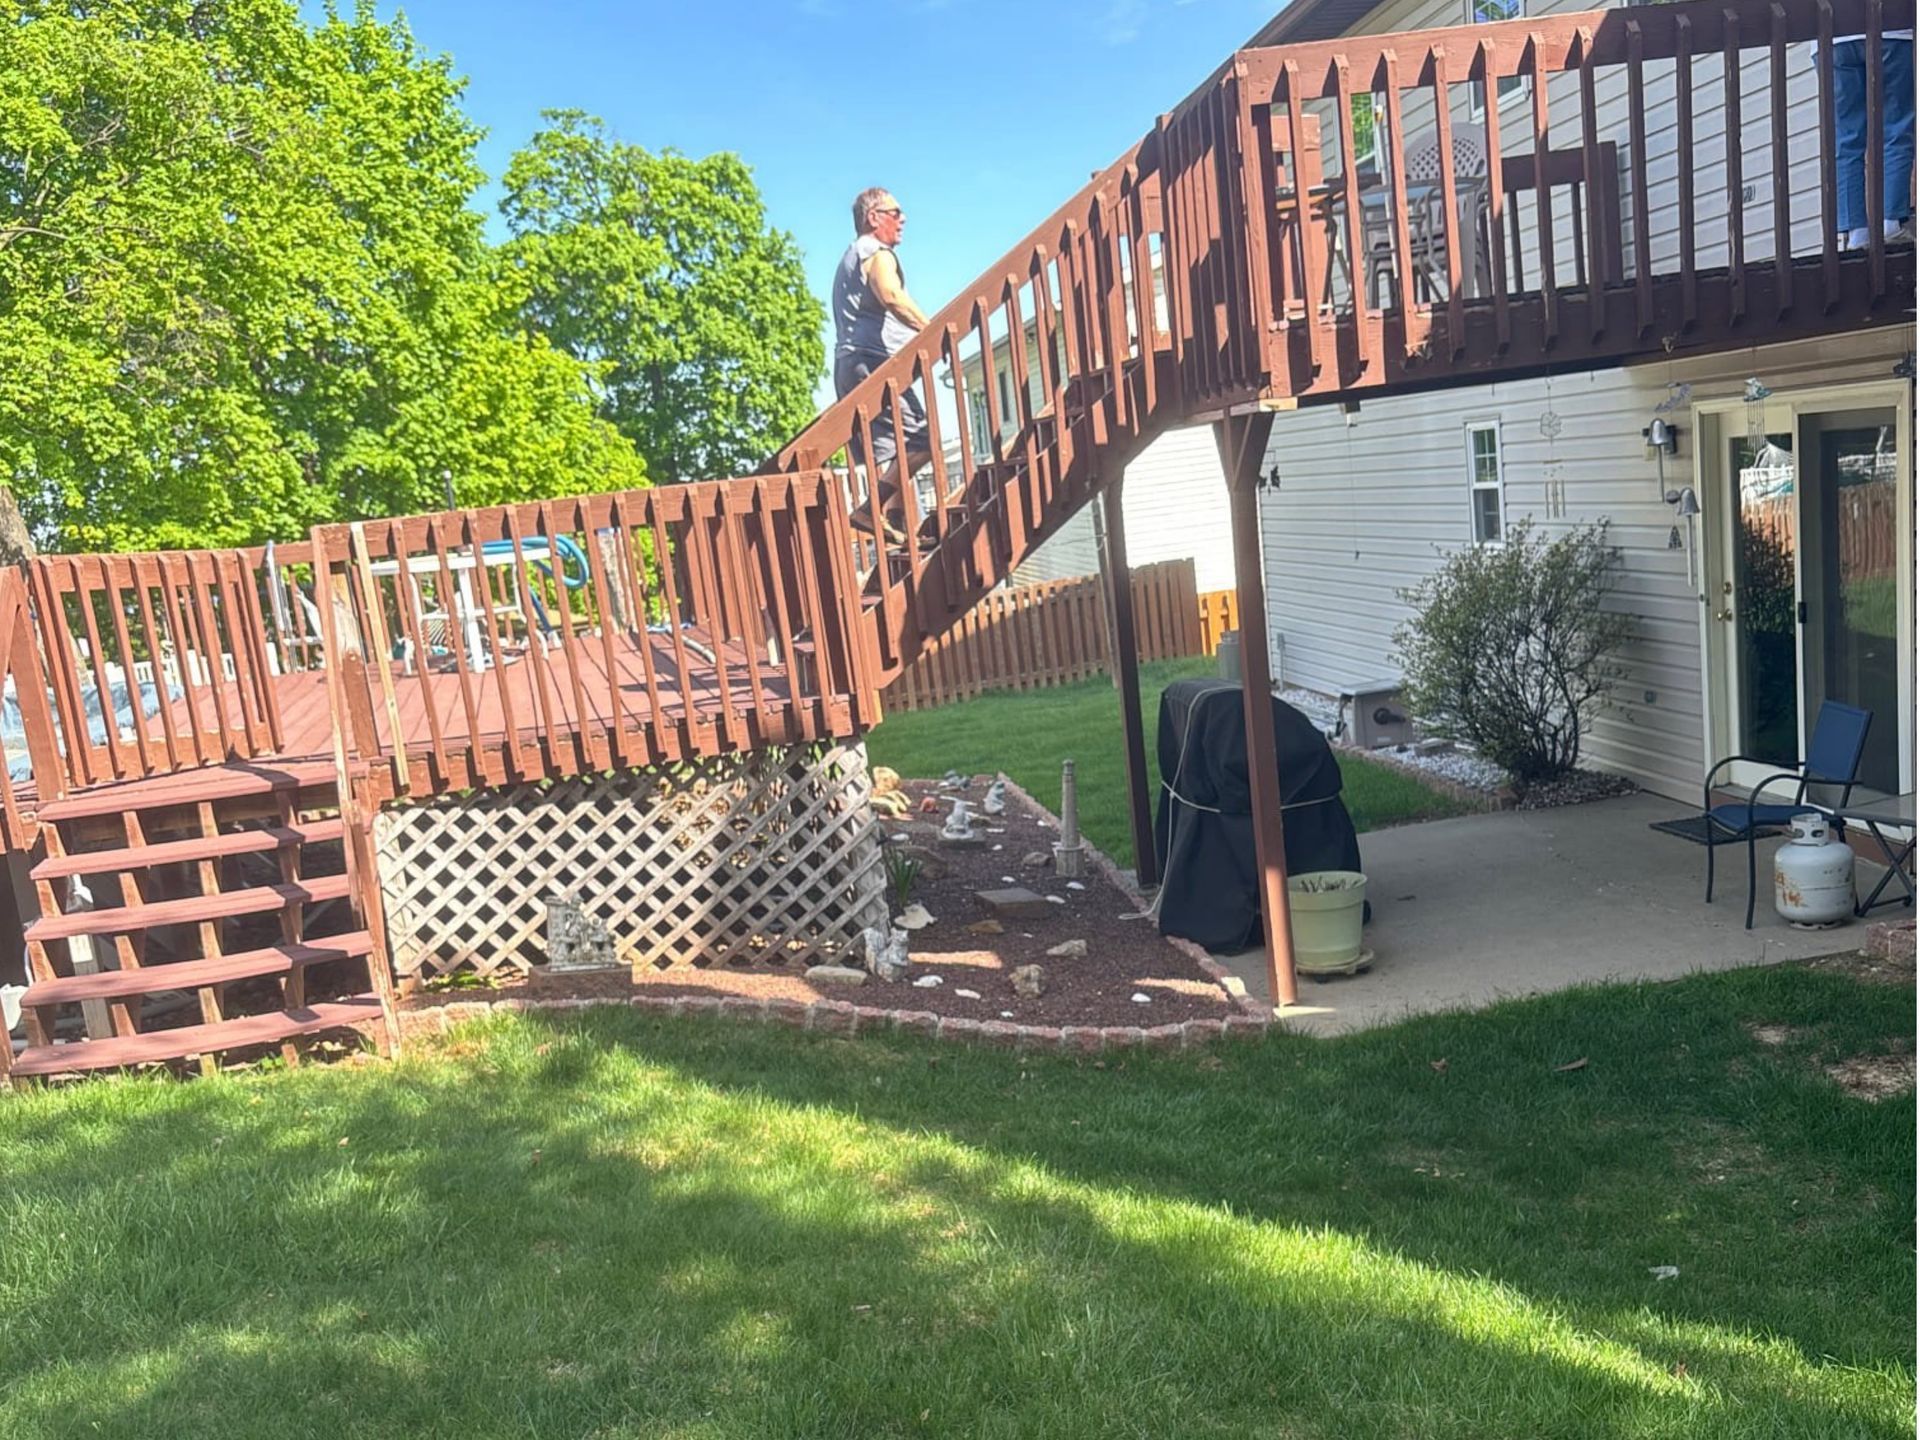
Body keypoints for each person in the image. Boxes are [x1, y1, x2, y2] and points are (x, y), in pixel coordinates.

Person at [832, 188, 934, 537]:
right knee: (924, 440)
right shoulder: (877, 253)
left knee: (895, 452)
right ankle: (869, 510)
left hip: (848, 364)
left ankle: (894, 525)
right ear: (873, 218)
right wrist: (931, 330)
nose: (902, 219)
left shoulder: (849, 257)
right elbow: (891, 295)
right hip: (872, 362)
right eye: (895, 212)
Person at [1825, 27, 1915, 248]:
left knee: (1846, 139)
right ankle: (1891, 222)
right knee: (1896, 129)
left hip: (1832, 38)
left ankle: (1856, 233)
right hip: (1892, 33)